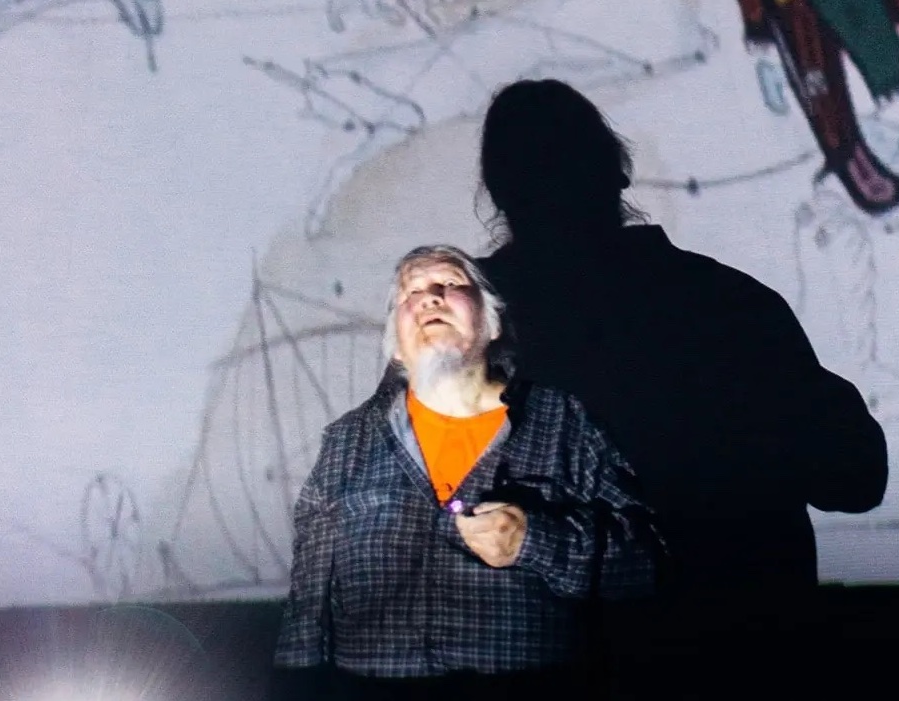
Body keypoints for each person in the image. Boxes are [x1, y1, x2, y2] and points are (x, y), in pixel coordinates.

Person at [473, 77, 889, 658]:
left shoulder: (457, 342)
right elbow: (855, 473)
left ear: (501, 193)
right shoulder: (726, 308)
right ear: (615, 174)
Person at [270, 244, 667, 701]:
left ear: (492, 323)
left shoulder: (565, 422)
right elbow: (306, 611)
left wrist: (534, 541)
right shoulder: (346, 442)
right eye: (410, 292)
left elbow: (647, 563)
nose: (430, 297)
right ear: (396, 347)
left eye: (452, 284)